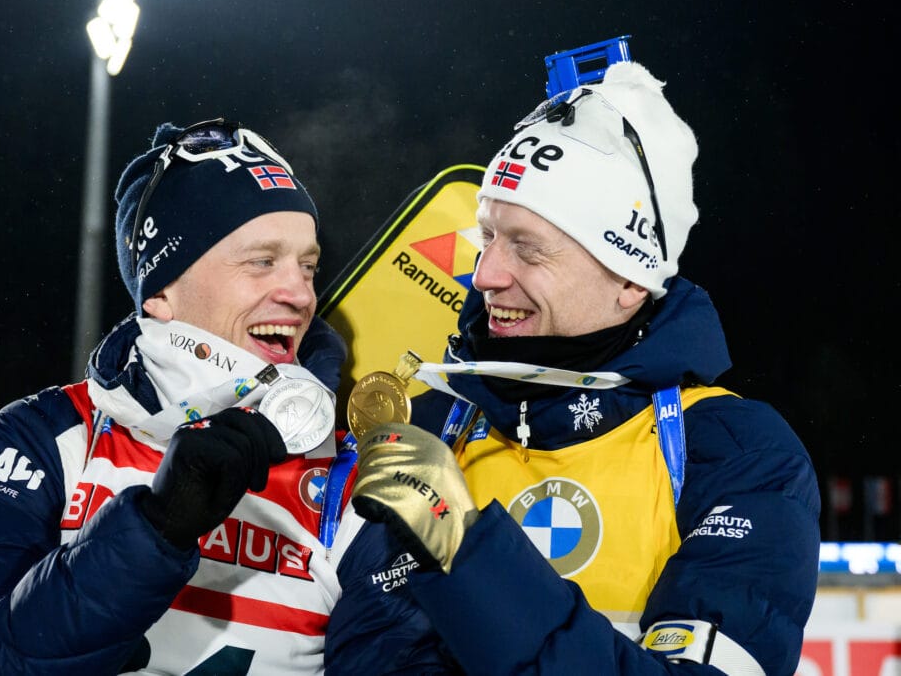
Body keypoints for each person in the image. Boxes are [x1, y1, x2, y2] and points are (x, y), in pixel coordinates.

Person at [325, 61, 821, 675]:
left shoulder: (735, 450)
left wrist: (463, 546)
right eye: (487, 238)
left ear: (630, 278)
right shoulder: (428, 428)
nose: (485, 276)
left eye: (528, 248)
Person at [0, 118, 367, 675]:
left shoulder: (347, 478)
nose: (299, 294)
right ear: (163, 291)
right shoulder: (43, 442)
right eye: (261, 262)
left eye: (308, 266)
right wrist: (152, 531)